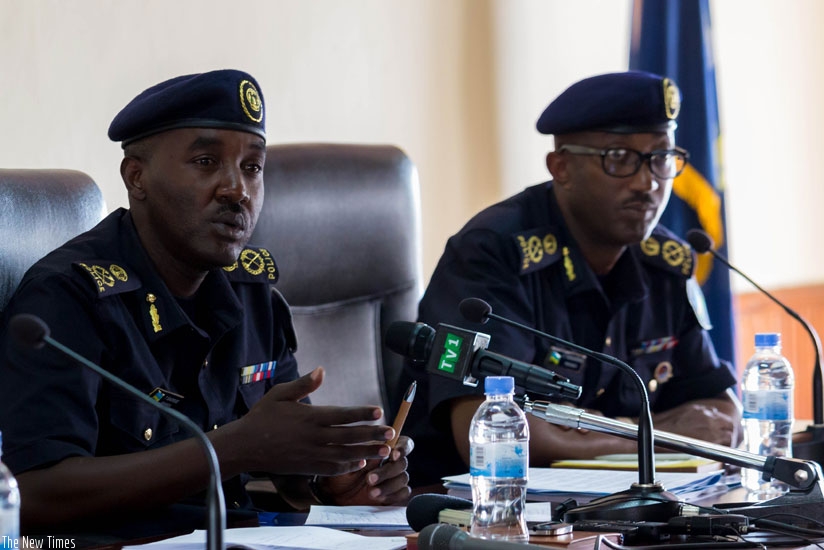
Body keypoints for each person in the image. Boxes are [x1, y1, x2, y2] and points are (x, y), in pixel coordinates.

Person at [0, 69, 412, 541]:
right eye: (205, 161)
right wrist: (233, 448)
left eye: (252, 167)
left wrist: (333, 479)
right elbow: (34, 494)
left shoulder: (252, 294)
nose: (236, 190)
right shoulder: (67, 299)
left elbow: (273, 461)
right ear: (137, 178)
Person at [406, 71, 740, 486]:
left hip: (614, 511)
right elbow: (492, 431)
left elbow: (722, 413)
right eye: (619, 158)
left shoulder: (665, 262)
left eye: (661, 158)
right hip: (474, 514)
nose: (647, 182)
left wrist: (600, 432)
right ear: (560, 167)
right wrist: (660, 436)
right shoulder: (492, 253)